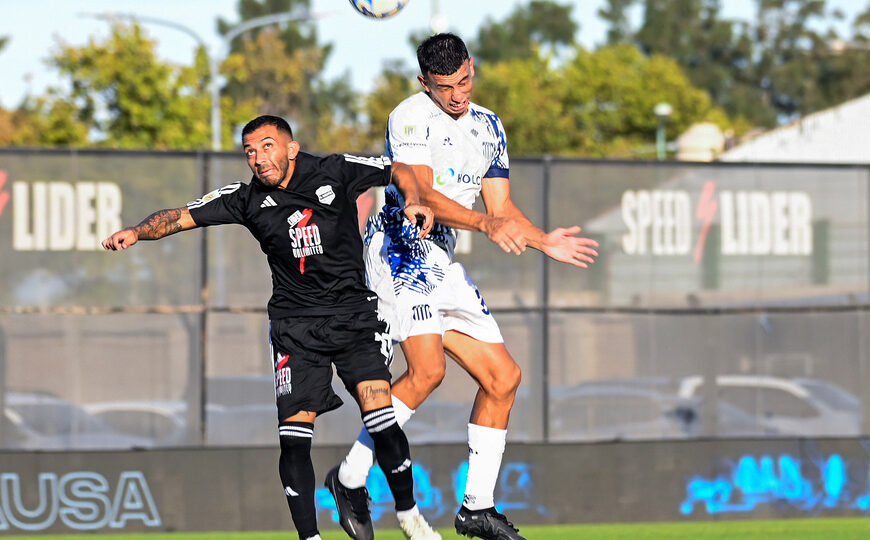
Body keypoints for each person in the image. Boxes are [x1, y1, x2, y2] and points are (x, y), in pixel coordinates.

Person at [102, 115, 443, 540]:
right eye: (249, 151)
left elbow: (399, 169)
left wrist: (413, 198)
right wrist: (136, 231)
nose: (258, 158)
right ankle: (310, 538)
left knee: (380, 416)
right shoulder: (245, 199)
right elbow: (181, 215)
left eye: (267, 146)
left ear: (291, 148)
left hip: (353, 318)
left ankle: (410, 516)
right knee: (295, 440)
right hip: (295, 329)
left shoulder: (334, 170)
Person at [326, 34, 600, 540]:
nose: (457, 94)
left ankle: (476, 508)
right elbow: (423, 192)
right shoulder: (409, 116)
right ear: (423, 83)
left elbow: (501, 211)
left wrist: (542, 240)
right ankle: (348, 479)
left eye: (464, 81)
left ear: (473, 68)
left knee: (503, 378)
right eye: (444, 86)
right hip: (399, 250)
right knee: (427, 371)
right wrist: (485, 225)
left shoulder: (489, 125)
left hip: (442, 258)